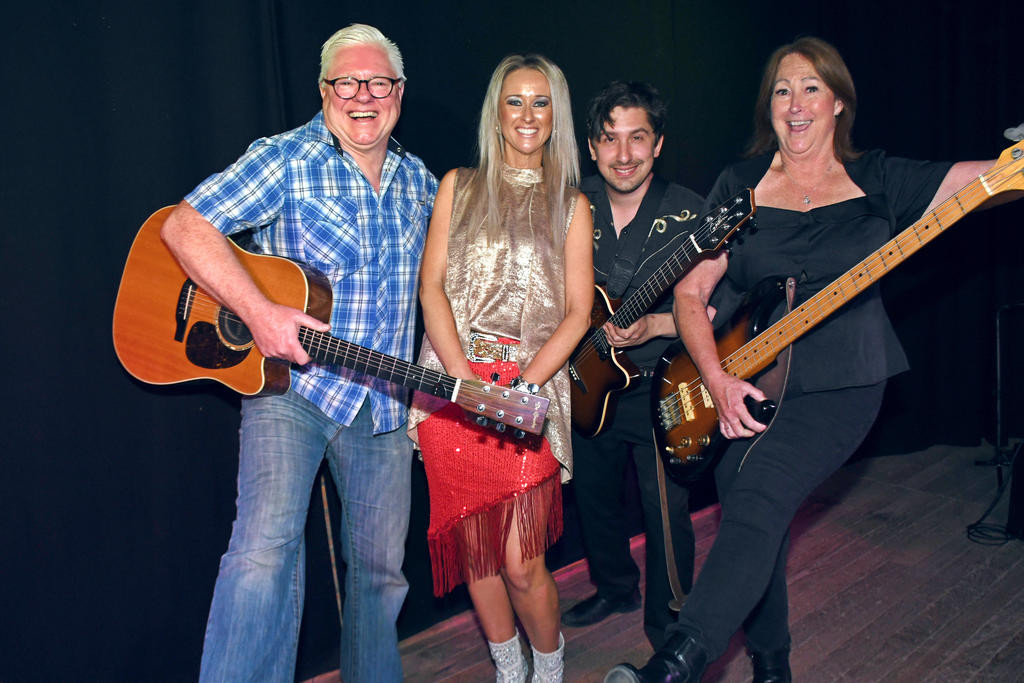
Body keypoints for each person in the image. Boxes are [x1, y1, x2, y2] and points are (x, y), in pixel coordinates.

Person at [606, 36, 1023, 683]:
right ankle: (772, 664)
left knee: (763, 491)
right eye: (780, 90)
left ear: (838, 104)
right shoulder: (739, 186)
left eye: (809, 89)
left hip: (843, 380)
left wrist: (1014, 164)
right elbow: (691, 293)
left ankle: (674, 665)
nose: (794, 104)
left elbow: (985, 180)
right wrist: (714, 379)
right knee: (748, 501)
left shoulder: (878, 179)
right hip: (742, 380)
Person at [160, 24, 437, 683]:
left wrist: (430, 362)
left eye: (378, 82)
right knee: (262, 555)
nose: (363, 95)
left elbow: (440, 287)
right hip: (294, 394)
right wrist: (258, 312)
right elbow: (185, 225)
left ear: (398, 94)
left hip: (384, 406)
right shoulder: (284, 157)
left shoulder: (423, 184)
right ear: (323, 91)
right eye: (347, 81)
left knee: (381, 575)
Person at [409, 54, 593, 682]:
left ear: (555, 116)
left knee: (519, 559)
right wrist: (461, 380)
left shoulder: (573, 204)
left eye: (540, 102)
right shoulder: (457, 186)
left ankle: (549, 668)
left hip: (527, 390)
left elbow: (576, 313)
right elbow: (431, 288)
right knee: (477, 556)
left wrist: (523, 384)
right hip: (450, 387)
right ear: (495, 111)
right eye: (514, 101)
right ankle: (508, 670)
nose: (527, 115)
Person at [560, 81, 702, 649]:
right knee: (593, 495)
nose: (623, 154)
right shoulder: (570, 204)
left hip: (659, 384)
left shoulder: (691, 212)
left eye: (637, 138)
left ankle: (671, 625)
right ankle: (615, 585)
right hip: (586, 379)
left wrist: (658, 324)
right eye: (609, 139)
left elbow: (721, 305)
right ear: (591, 148)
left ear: (658, 144)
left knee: (665, 508)